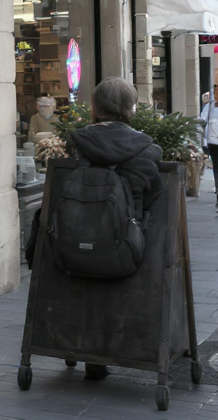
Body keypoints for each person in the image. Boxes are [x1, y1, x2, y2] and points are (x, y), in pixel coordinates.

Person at [65, 76, 162, 379]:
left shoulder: (77, 142)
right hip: (127, 244)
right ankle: (120, 350)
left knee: (81, 286)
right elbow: (154, 196)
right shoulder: (148, 149)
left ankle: (82, 351)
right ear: (131, 109)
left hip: (74, 239)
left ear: (95, 107)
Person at [203, 89, 218, 206]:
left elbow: (203, 121)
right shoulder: (210, 105)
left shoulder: (210, 106)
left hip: (213, 141)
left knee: (216, 169)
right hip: (213, 141)